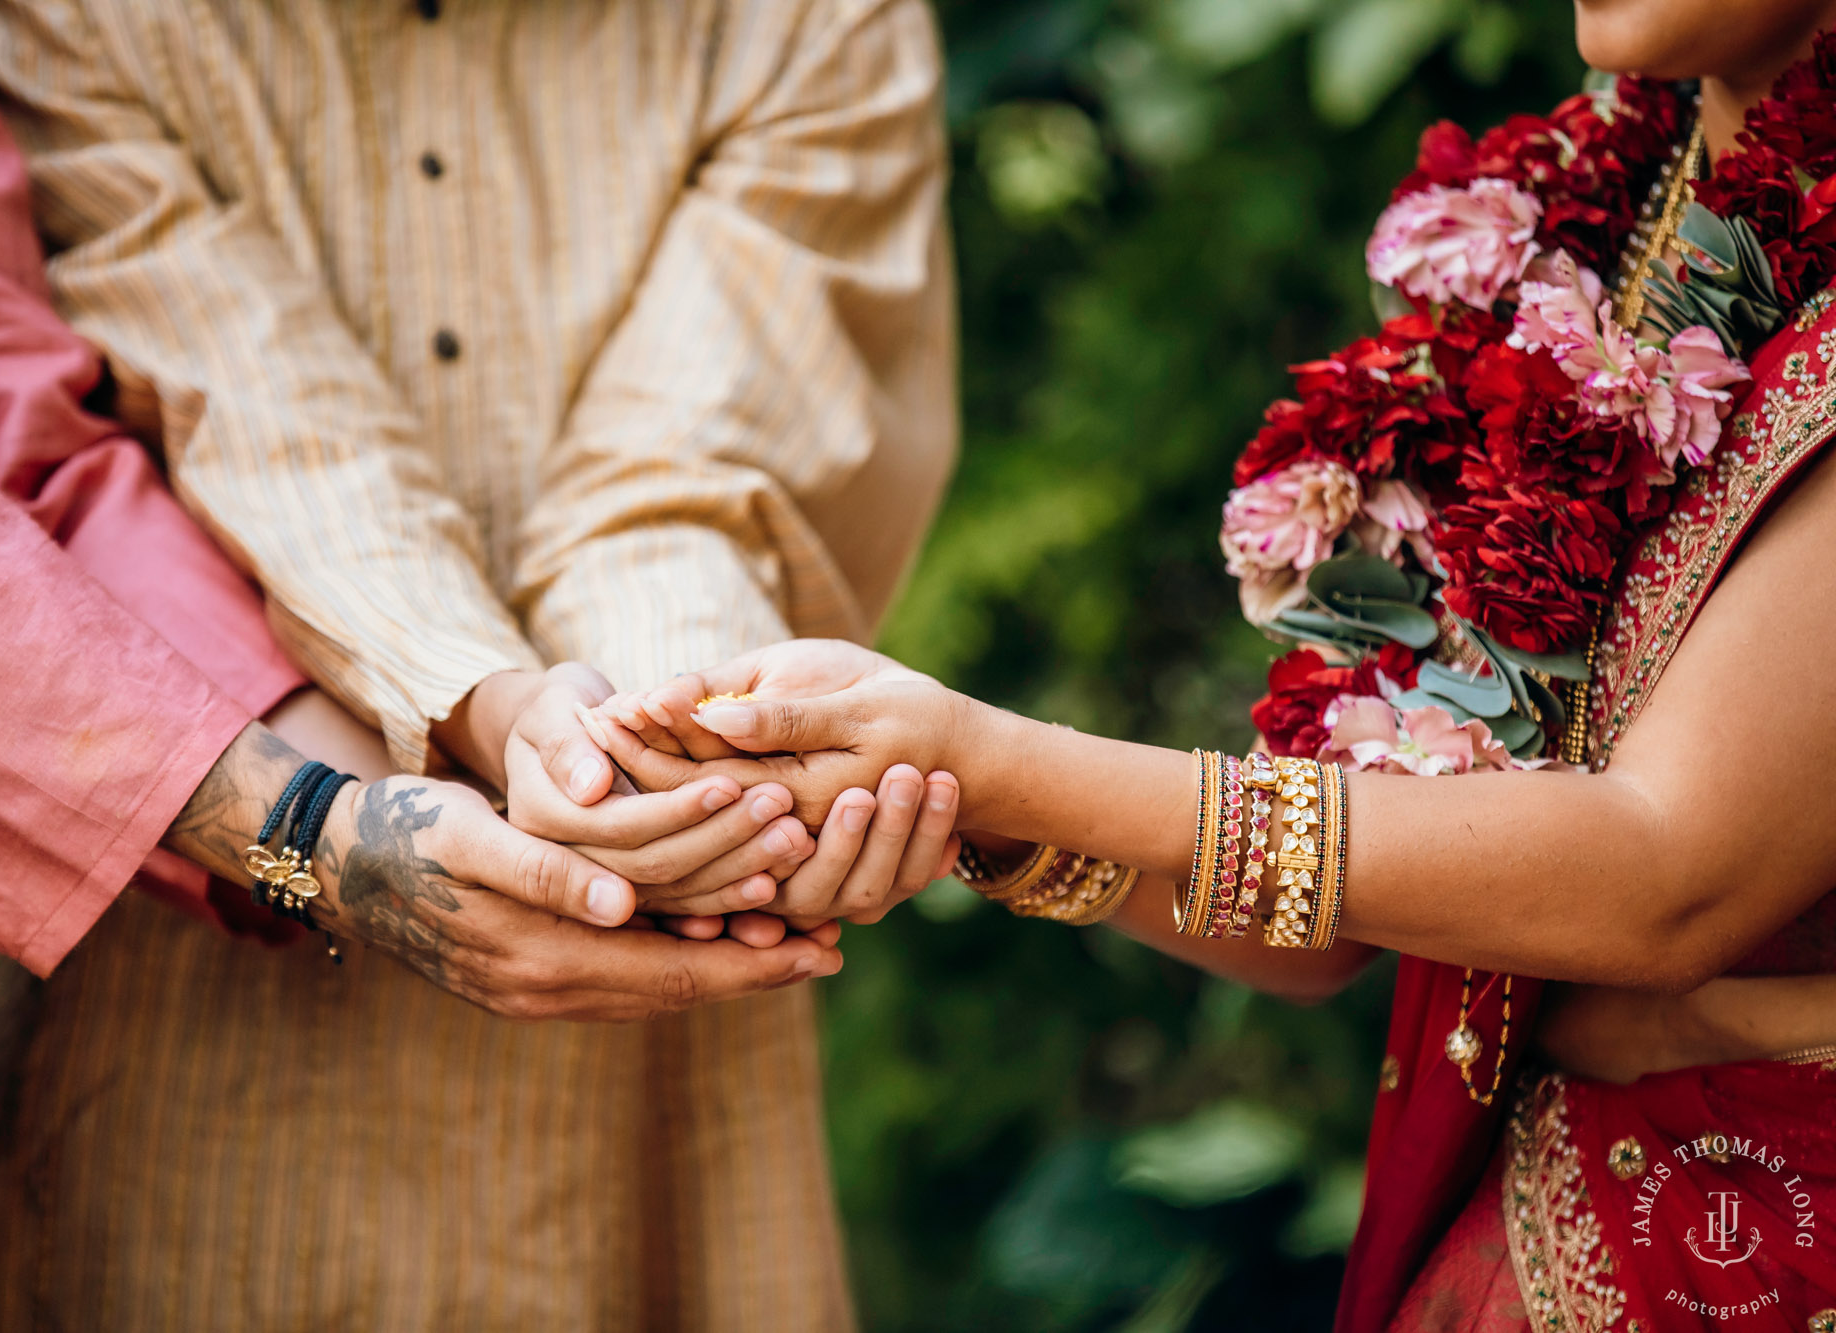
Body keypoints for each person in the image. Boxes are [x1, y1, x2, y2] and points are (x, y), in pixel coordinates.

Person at [586, 3, 1836, 1326]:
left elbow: (1662, 875)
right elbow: (1339, 916)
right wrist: (954, 799)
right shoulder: (1605, 220)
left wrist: (989, 755)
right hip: (1544, 1226)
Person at [0, 1, 853, 1327]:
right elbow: (206, 379)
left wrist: (661, 754)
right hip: (155, 1031)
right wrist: (324, 819)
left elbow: (15, 427)